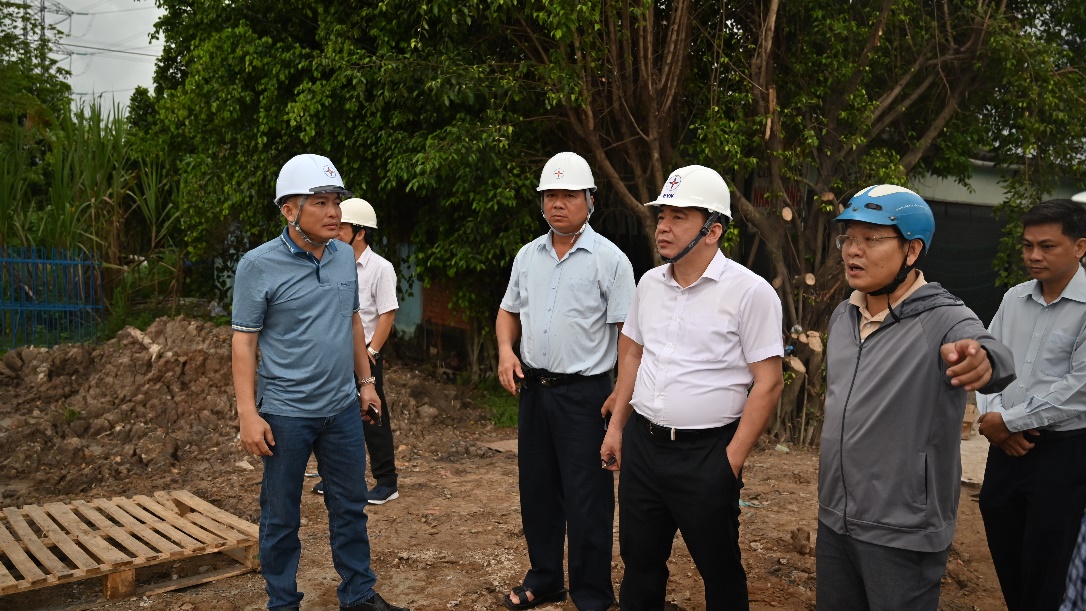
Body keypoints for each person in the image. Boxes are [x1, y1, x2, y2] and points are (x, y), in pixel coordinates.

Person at [817, 184, 1015, 610]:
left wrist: (984, 361)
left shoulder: (946, 317)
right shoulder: (844, 313)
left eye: (871, 239)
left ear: (912, 251)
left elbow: (989, 352)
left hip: (902, 528)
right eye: (849, 238)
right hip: (835, 517)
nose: (854, 251)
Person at [599, 165, 784, 610]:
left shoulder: (749, 293)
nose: (663, 226)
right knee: (640, 562)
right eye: (662, 216)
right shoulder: (649, 284)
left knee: (719, 569)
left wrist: (729, 463)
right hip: (643, 450)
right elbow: (632, 355)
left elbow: (769, 382)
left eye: (679, 217)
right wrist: (617, 427)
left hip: (707, 455)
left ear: (713, 230)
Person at [231, 154, 408, 611]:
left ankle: (359, 594)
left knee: (350, 507)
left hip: (342, 410)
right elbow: (244, 343)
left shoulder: (342, 259)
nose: (335, 213)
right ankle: (283, 602)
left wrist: (366, 383)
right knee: (282, 516)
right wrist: (248, 413)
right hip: (286, 413)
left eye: (337, 202)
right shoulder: (258, 265)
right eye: (321, 203)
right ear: (290, 211)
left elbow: (352, 322)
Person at [496, 151, 635, 610]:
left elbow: (627, 335)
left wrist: (621, 390)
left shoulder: (610, 260)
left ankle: (592, 592)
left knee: (588, 498)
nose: (559, 203)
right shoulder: (527, 256)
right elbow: (507, 311)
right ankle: (546, 577)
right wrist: (504, 350)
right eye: (551, 195)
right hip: (535, 391)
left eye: (569, 195)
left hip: (586, 396)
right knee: (537, 489)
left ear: (590, 200)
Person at [978, 198, 1086, 611]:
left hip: (1063, 451)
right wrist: (994, 420)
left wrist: (1009, 420)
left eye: (1047, 246)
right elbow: (990, 358)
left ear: (1079, 246)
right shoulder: (1014, 298)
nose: (1033, 256)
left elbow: (1079, 388)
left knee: (1048, 557)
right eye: (1027, 246)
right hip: (1006, 446)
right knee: (1002, 532)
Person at [313, 197, 401, 504]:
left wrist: (372, 351)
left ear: (360, 232)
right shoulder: (333, 262)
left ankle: (387, 481)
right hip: (335, 353)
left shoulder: (380, 268)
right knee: (332, 416)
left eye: (343, 227)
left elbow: (387, 313)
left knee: (373, 417)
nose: (336, 232)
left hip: (365, 354)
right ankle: (333, 477)